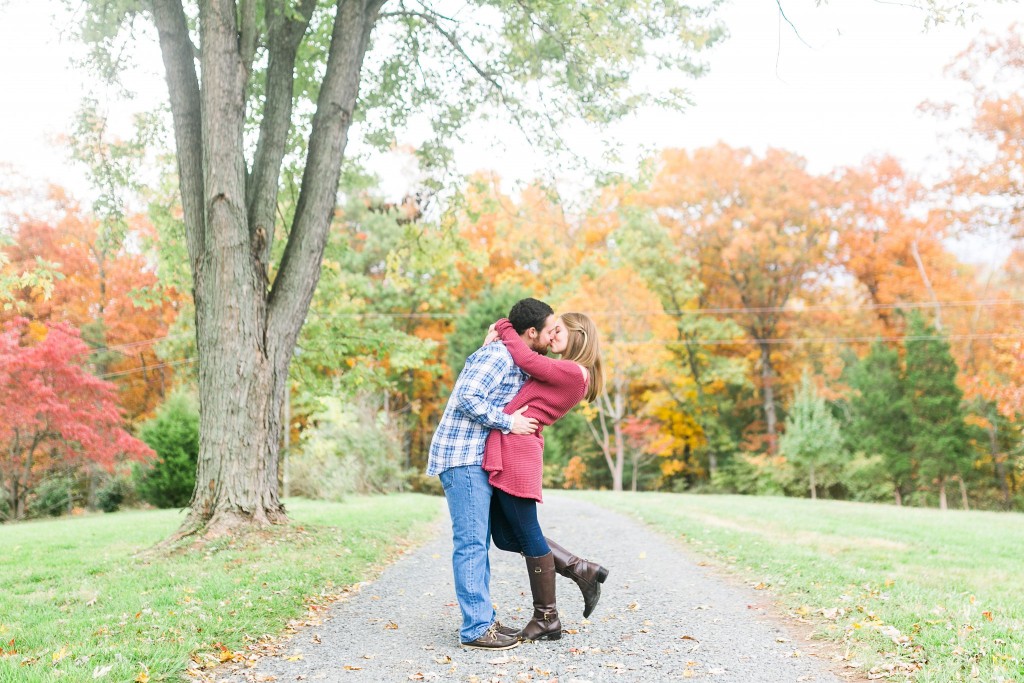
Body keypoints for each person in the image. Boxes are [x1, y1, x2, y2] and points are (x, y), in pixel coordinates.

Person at [426, 298, 557, 650]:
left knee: (479, 543)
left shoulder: (512, 356)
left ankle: (482, 618)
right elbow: (467, 397)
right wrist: (509, 422)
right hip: (462, 456)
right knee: (470, 543)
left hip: (476, 458)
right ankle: (474, 629)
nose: (551, 338)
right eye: (549, 331)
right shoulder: (496, 356)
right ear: (532, 333)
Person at [482, 313, 609, 642]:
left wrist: (503, 325)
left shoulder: (573, 372)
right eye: (551, 332)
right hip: (514, 446)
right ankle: (579, 569)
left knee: (527, 532)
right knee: (505, 536)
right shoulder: (571, 371)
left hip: (518, 451)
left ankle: (547, 618)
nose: (551, 338)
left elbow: (524, 357)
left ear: (578, 334)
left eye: (558, 332)